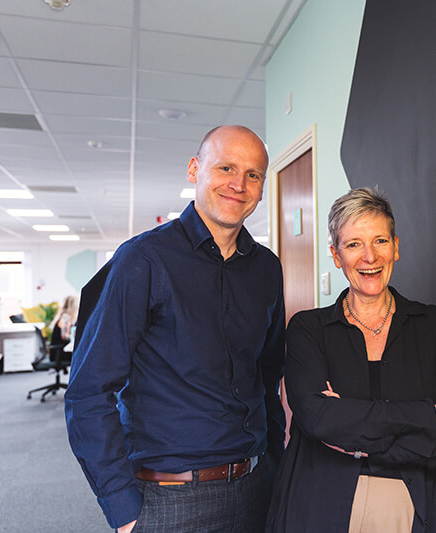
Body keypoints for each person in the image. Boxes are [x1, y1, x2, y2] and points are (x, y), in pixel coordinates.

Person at [66, 125, 285, 533]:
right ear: (194, 170)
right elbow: (88, 391)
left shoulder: (267, 269)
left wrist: (276, 463)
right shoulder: (143, 260)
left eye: (253, 174)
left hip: (257, 489)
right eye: (225, 167)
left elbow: (267, 375)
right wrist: (123, 509)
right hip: (170, 501)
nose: (238, 184)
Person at [267, 187, 436, 532]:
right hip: (318, 501)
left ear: (396, 247)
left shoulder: (432, 327)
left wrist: (356, 444)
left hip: (409, 507)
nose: (369, 257)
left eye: (380, 241)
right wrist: (422, 414)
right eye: (353, 245)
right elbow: (318, 420)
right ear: (336, 255)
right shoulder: (308, 329)